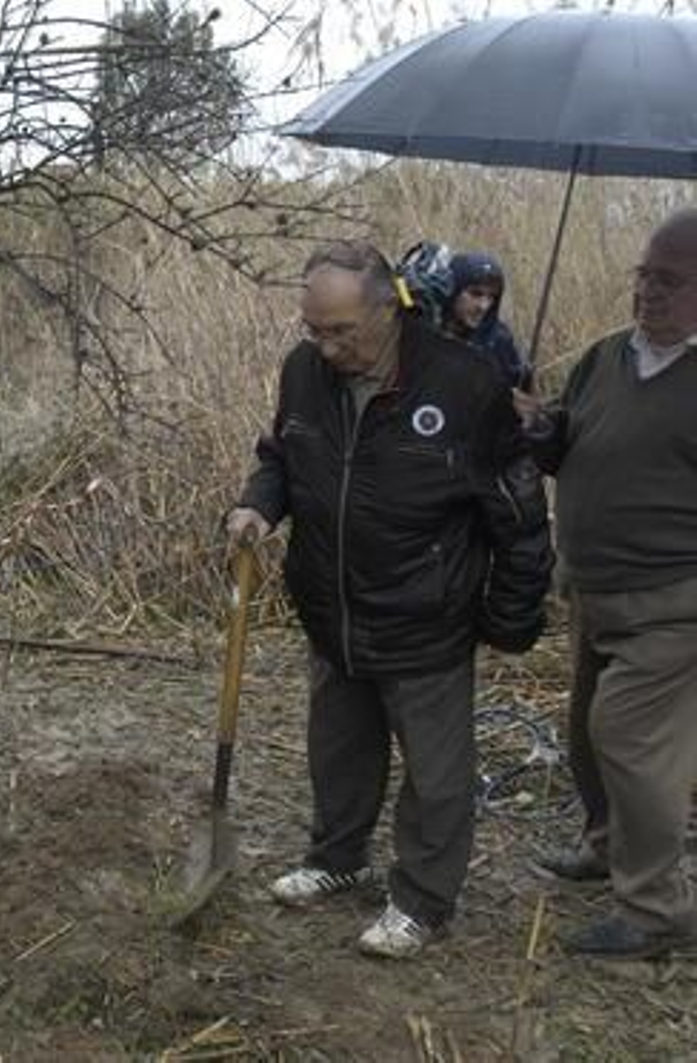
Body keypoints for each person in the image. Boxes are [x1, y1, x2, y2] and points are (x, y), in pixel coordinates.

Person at [226, 240, 553, 959]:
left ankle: (423, 900)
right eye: (314, 327)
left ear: (389, 308)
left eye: (341, 330)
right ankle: (337, 855)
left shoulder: (465, 382)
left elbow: (519, 513)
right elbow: (283, 454)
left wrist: (512, 616)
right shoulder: (303, 372)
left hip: (426, 615)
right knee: (338, 750)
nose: (326, 344)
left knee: (437, 776)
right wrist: (258, 504)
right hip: (332, 603)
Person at [516, 207, 697, 960]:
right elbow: (573, 441)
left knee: (626, 735)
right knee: (585, 731)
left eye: (670, 280)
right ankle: (605, 846)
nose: (648, 292)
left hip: (672, 604)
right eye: (642, 275)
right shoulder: (603, 357)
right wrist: (539, 430)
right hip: (591, 588)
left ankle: (656, 911)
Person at [441, 252, 532, 390]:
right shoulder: (428, 326)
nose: (483, 306)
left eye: (491, 297)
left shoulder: (499, 342)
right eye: (475, 294)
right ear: (453, 290)